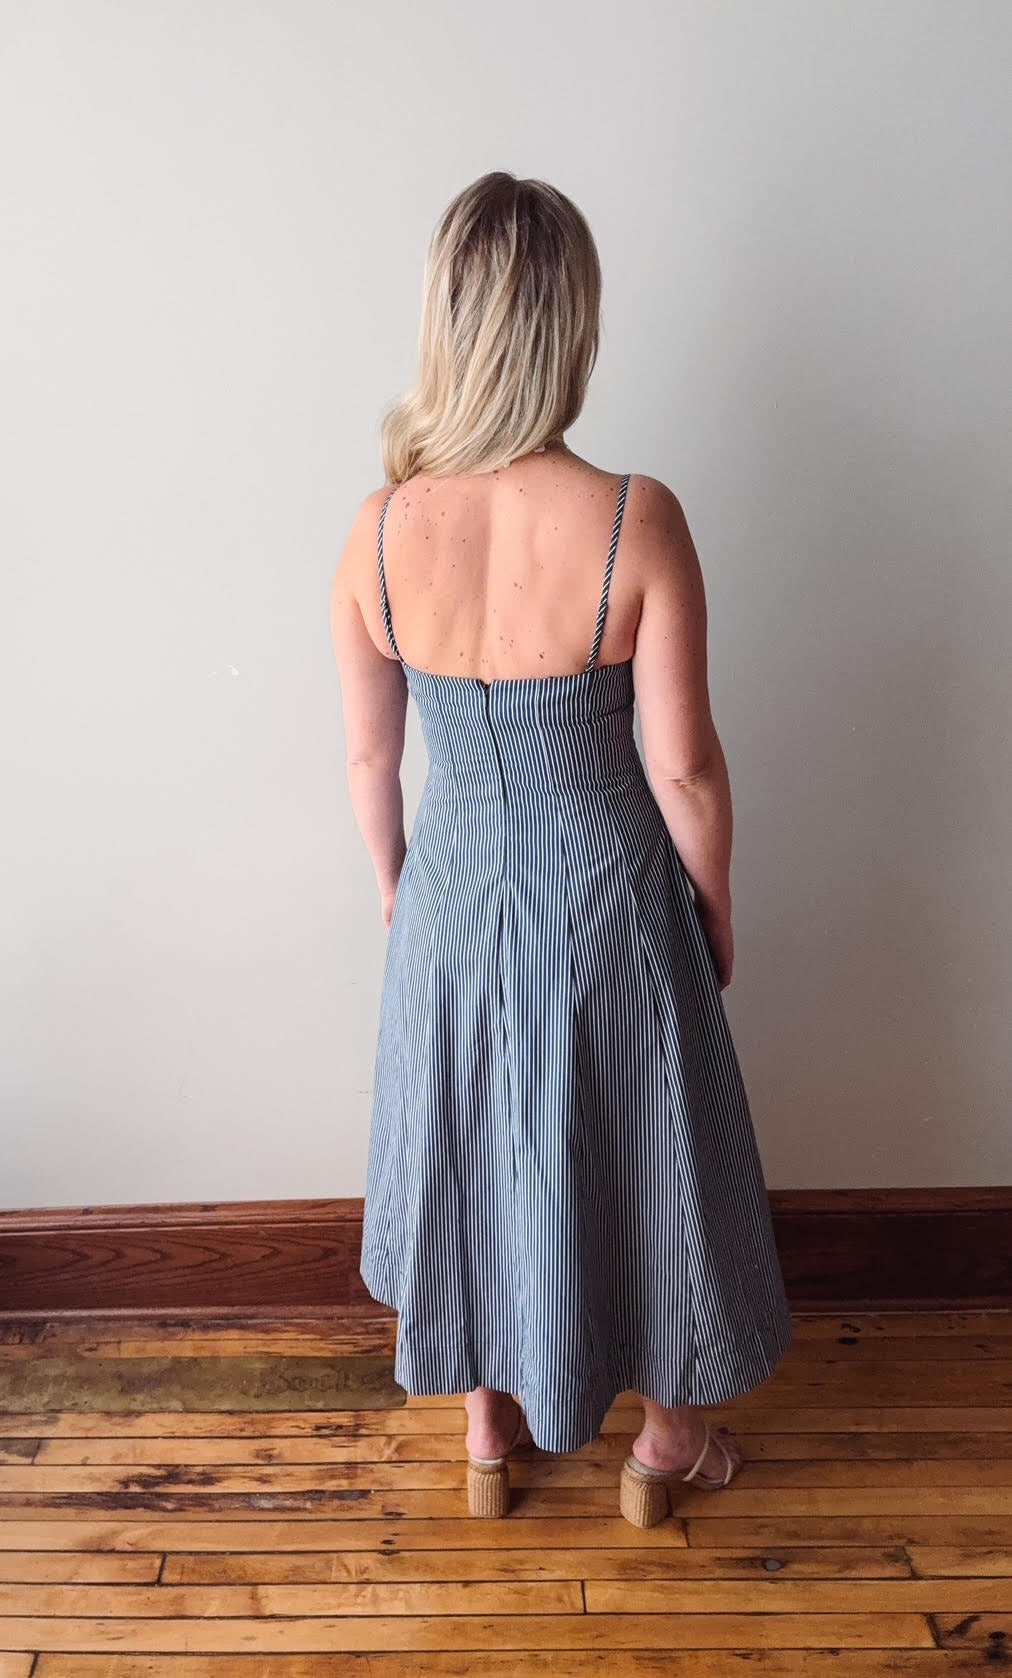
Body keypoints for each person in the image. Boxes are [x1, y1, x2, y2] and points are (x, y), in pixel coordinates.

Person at [330, 170, 793, 1524]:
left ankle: (488, 1434)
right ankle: (665, 1448)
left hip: (456, 899)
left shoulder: (375, 532)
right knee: (655, 1149)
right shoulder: (634, 518)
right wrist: (714, 906)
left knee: (478, 1135)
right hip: (610, 896)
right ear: (568, 326)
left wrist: (398, 896)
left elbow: (370, 757)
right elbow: (686, 764)